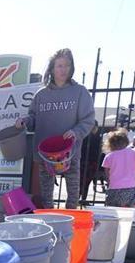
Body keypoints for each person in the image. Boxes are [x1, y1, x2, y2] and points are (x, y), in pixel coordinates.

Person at [15, 48, 95, 209]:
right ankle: (49, 224)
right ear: (52, 68)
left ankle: (71, 226)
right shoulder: (41, 94)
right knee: (46, 196)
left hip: (70, 152)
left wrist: (76, 132)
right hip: (45, 154)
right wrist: (25, 121)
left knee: (73, 195)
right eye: (59, 65)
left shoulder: (80, 92)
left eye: (67, 65)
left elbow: (88, 120)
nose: (63, 69)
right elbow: (34, 118)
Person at [101, 127, 135, 207]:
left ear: (110, 144)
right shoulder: (133, 152)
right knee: (132, 209)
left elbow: (107, 173)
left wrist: (109, 182)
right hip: (131, 187)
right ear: (126, 142)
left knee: (113, 210)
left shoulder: (109, 156)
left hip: (114, 188)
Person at [80, 120, 102, 202]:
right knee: (82, 181)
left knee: (86, 181)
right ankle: (80, 197)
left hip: (92, 162)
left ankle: (83, 198)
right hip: (85, 161)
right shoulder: (85, 136)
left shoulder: (97, 137)